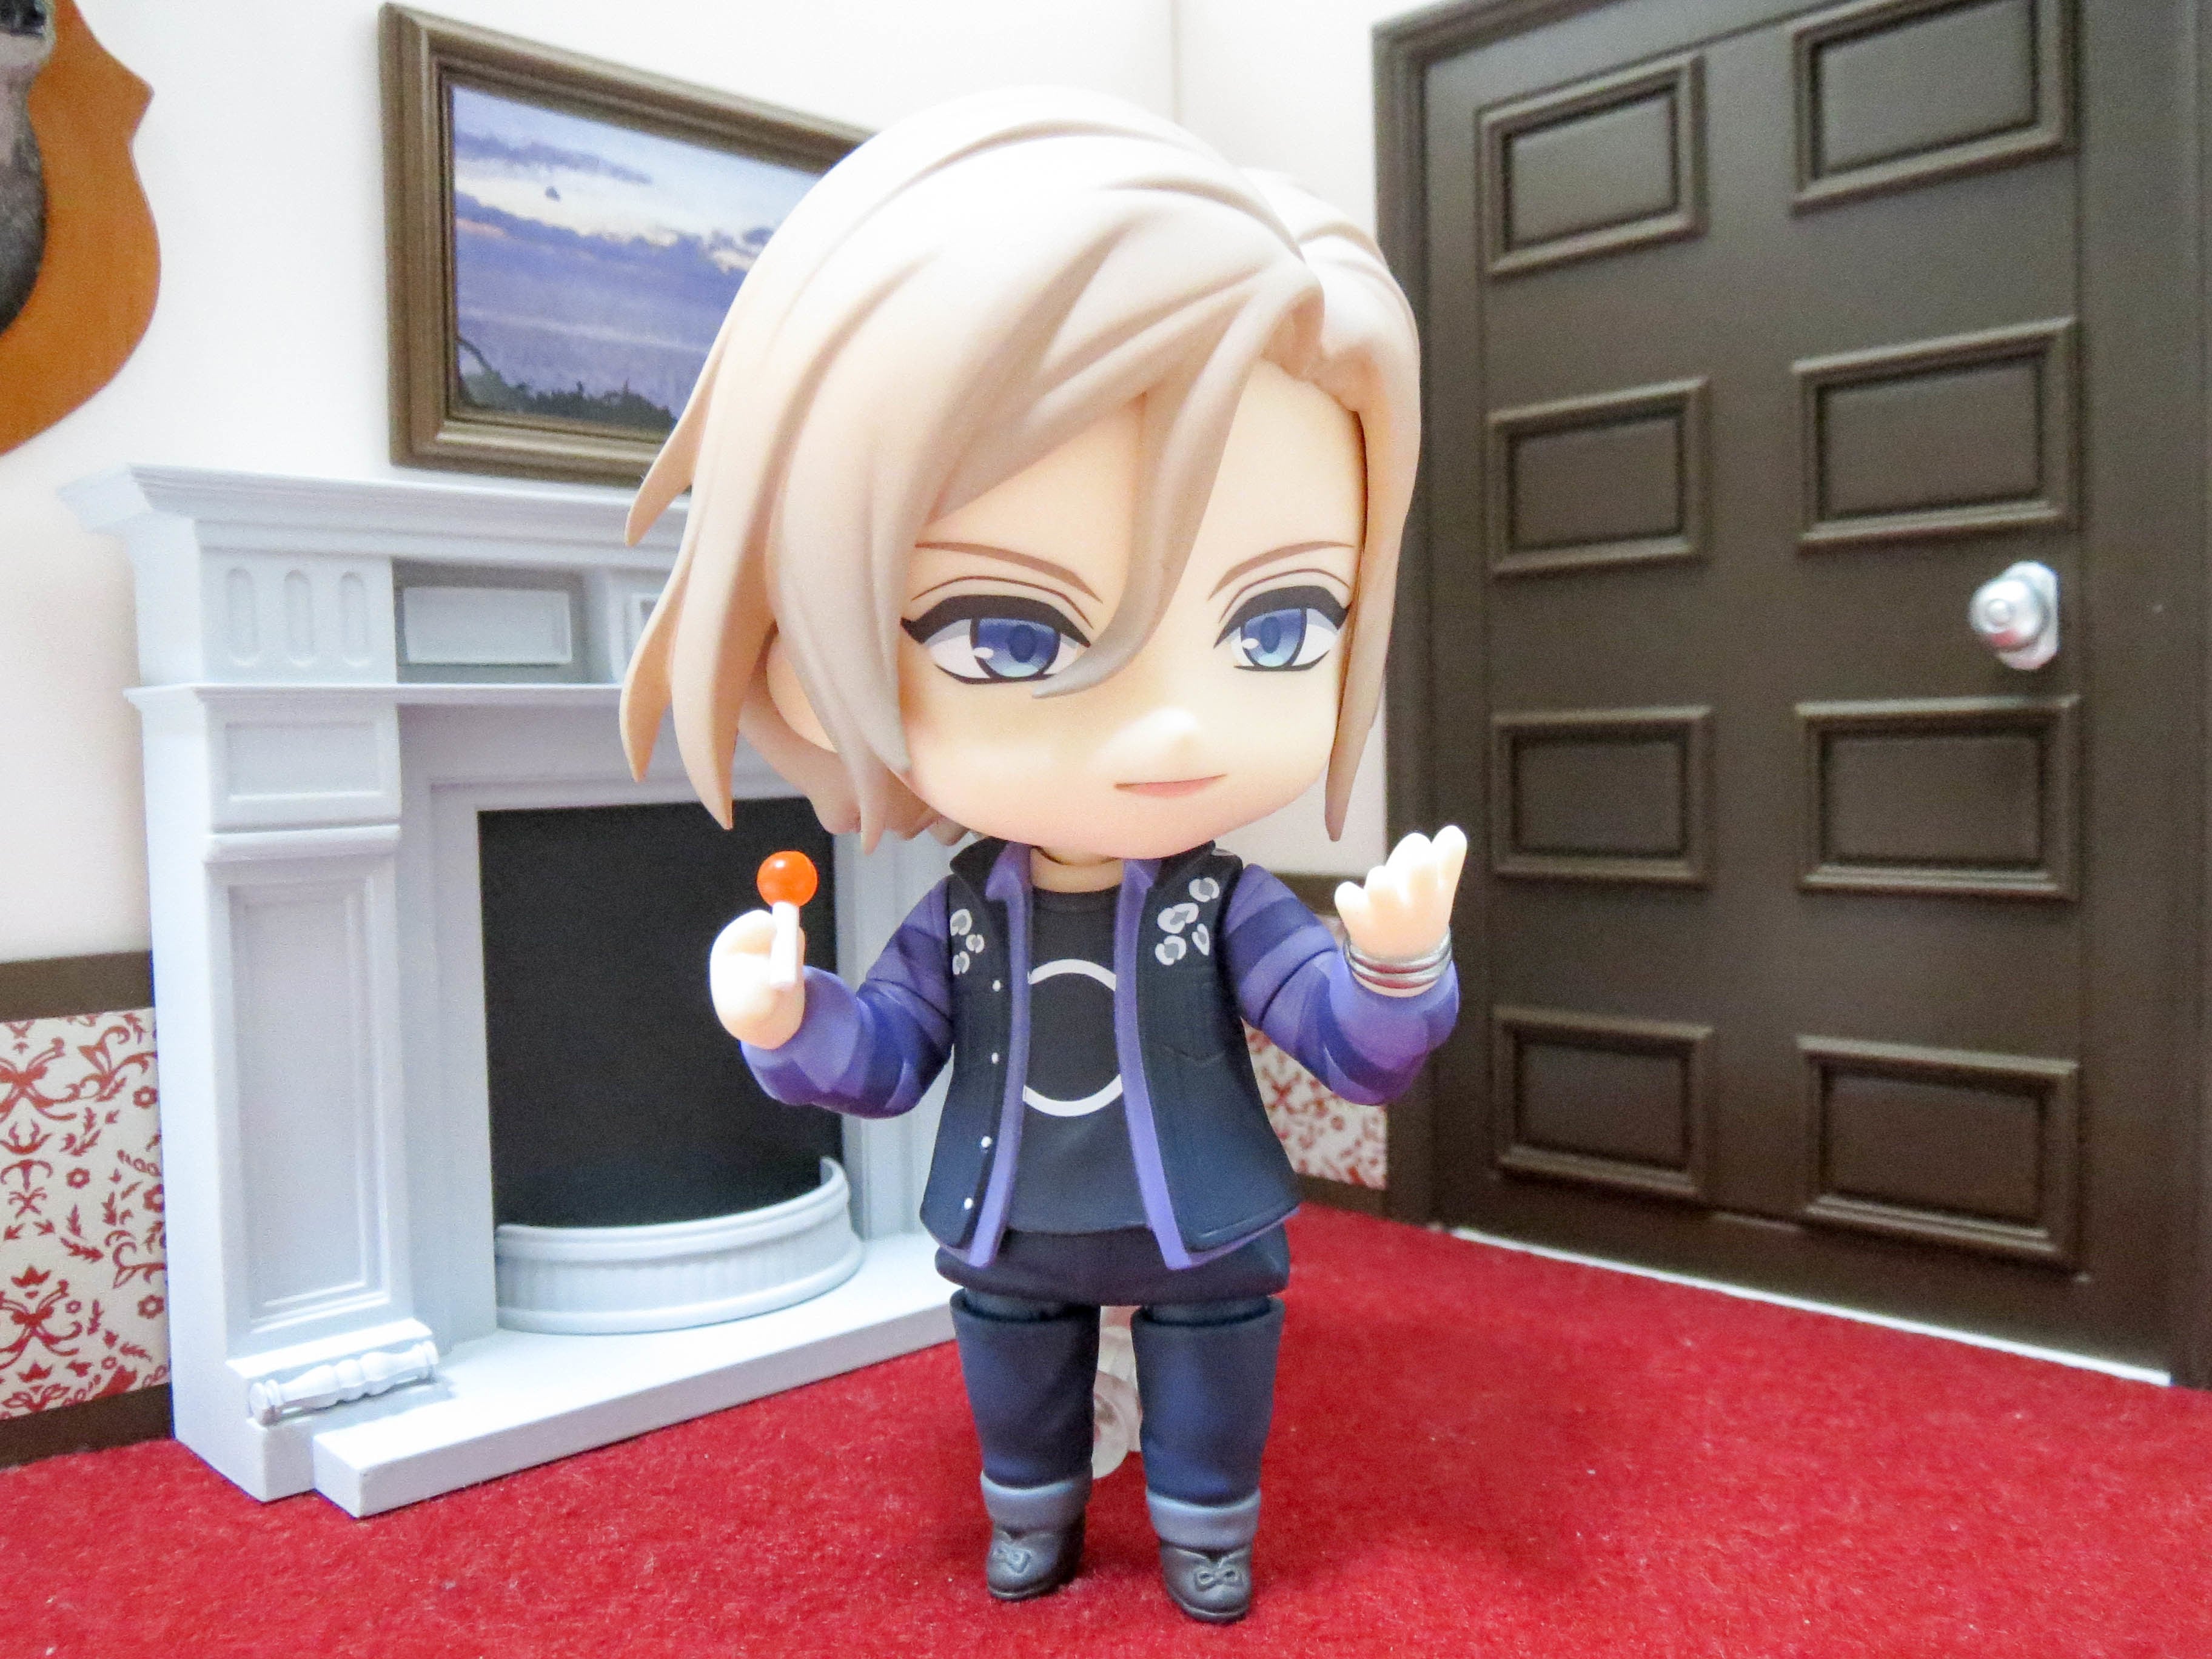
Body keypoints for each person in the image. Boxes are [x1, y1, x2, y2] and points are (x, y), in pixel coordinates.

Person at [620, 87, 1463, 1625]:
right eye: (1008, 634)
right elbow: (886, 1059)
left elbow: (1355, 1048)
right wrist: (788, 1017)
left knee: (1217, 1363)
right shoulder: (966, 912)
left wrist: (1395, 963)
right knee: (1012, 1361)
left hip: (1202, 1219)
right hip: (1011, 1218)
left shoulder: (1229, 903)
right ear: (815, 659)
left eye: (1283, 626)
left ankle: (1205, 1526)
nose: (1170, 727)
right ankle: (1033, 1510)